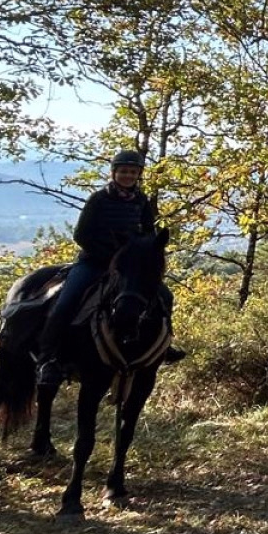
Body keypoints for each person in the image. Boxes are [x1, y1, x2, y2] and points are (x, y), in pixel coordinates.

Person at [36, 149, 158, 390]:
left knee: (160, 296)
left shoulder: (141, 201)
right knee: (66, 303)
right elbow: (81, 235)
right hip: (94, 263)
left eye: (133, 172)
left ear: (138, 175)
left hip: (127, 268)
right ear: (114, 173)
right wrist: (109, 255)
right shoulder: (98, 199)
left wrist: (143, 255)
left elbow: (148, 233)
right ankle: (48, 359)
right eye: (123, 171)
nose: (128, 176)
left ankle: (161, 346)